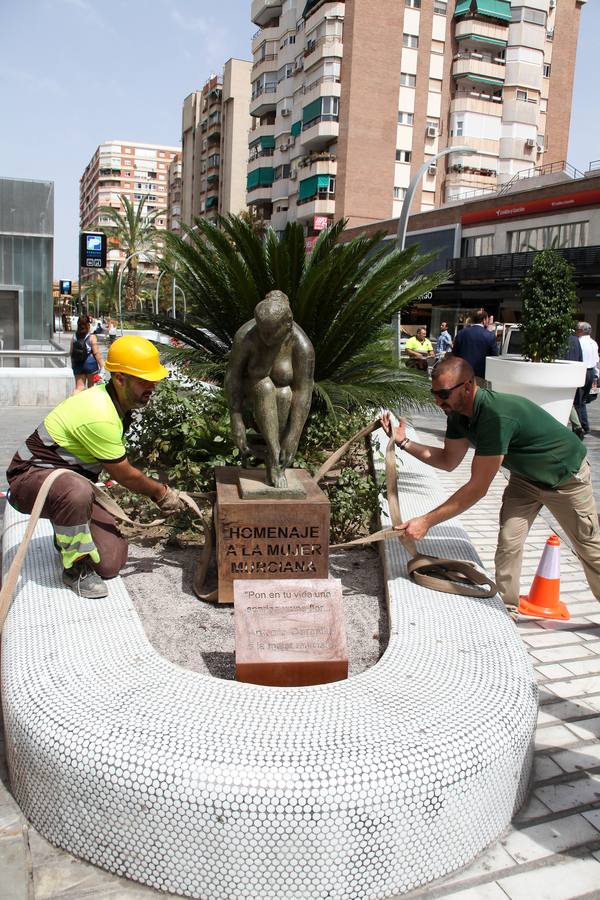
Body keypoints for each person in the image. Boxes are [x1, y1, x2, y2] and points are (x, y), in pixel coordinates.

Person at [382, 355, 600, 611]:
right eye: (434, 393)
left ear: (467, 386)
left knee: (590, 551)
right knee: (508, 543)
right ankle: (508, 610)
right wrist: (403, 443)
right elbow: (448, 460)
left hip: (565, 479)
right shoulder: (457, 414)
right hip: (525, 480)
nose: (437, 401)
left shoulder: (496, 416)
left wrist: (426, 522)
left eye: (443, 394)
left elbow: (477, 488)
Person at [7, 336, 188, 599]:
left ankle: (66, 531)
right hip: (28, 481)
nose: (152, 386)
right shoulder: (99, 413)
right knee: (76, 490)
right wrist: (161, 493)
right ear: (120, 379)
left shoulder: (116, 405)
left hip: (70, 484)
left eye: (154, 379)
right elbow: (123, 473)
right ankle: (75, 568)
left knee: (110, 562)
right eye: (144, 380)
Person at [226, 290, 315, 489]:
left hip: (282, 406)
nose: (264, 337)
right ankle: (274, 457)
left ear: (288, 323)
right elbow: (233, 378)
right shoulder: (246, 336)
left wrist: (294, 435)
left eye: (270, 332)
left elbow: (303, 392)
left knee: (284, 394)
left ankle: (275, 460)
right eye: (261, 330)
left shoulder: (302, 346)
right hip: (253, 401)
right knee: (264, 386)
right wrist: (236, 417)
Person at [452, 308, 498, 386]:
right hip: (481, 376)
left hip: (462, 374)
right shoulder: (490, 336)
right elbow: (494, 357)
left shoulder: (461, 333)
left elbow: (455, 353)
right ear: (484, 320)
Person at [575, 321, 599, 435]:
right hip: (591, 372)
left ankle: (580, 426)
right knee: (582, 400)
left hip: (582, 371)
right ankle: (585, 426)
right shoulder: (593, 343)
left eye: (577, 329)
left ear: (581, 331)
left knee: (578, 401)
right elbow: (596, 360)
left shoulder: (579, 342)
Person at [70, 315, 104, 393]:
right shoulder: (92, 337)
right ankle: (89, 404)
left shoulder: (74, 337)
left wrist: (73, 365)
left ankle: (73, 403)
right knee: (91, 388)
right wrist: (102, 366)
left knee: (79, 387)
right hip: (90, 364)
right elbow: (96, 353)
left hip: (78, 364)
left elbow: (71, 352)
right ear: (88, 325)